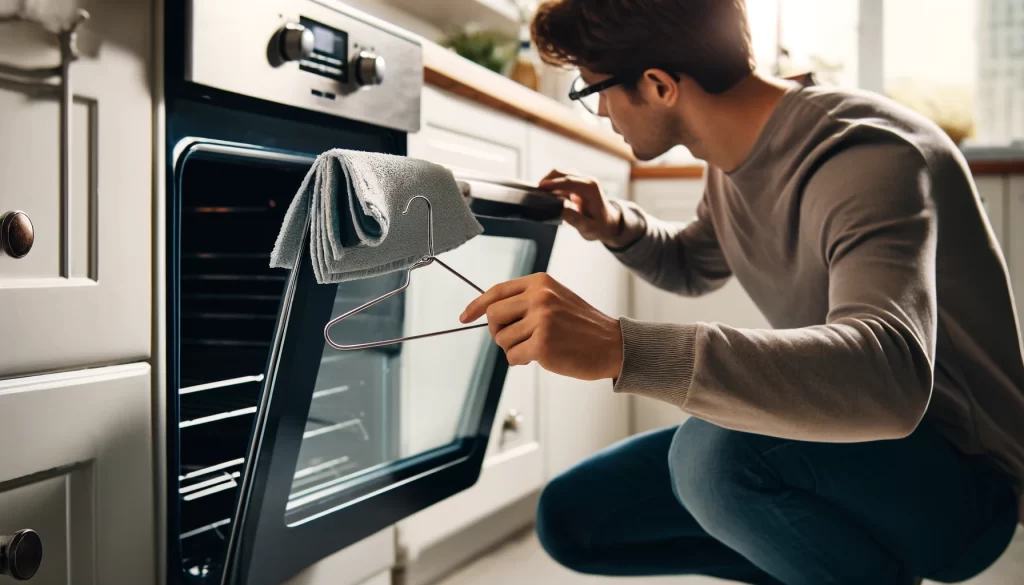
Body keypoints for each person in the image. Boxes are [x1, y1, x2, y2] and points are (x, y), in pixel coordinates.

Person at [457, 1, 1024, 584]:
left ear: (658, 86)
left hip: (965, 486)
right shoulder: (731, 157)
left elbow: (889, 377)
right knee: (577, 517)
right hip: (848, 445)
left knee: (715, 455)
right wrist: (616, 226)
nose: (599, 109)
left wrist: (625, 348)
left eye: (593, 87)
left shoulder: (865, 152)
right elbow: (695, 264)